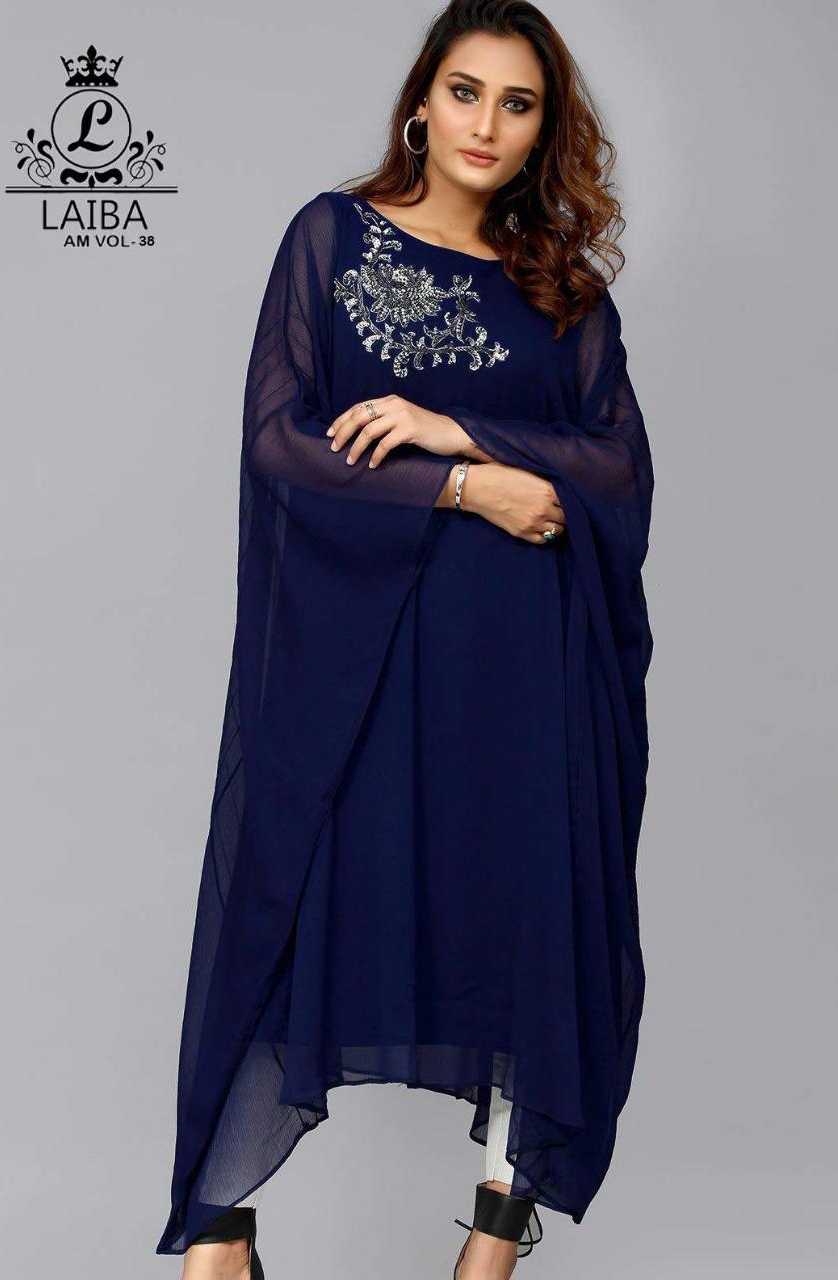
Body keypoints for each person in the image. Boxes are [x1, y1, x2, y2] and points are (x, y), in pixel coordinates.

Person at [156, 2, 655, 1277]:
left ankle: (490, 1245)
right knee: (291, 904)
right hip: (359, 664)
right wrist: (465, 487)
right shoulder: (331, 238)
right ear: (420, 103)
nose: (486, 123)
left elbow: (616, 472)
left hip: (524, 674)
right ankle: (219, 1238)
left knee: (532, 921)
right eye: (465, 91)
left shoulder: (562, 290)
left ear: (544, 128)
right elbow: (281, 442)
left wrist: (457, 428)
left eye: (518, 102)